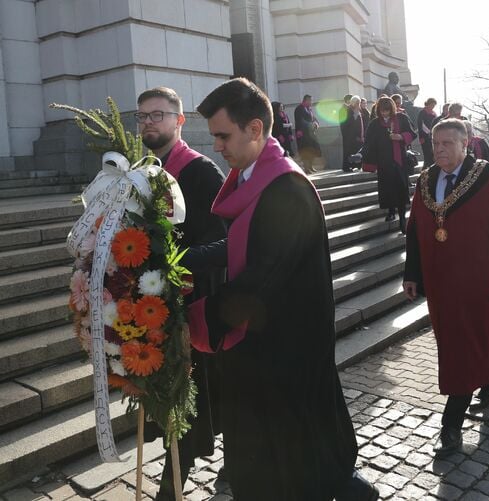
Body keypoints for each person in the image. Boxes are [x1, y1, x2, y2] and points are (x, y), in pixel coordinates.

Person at [185, 78, 378, 501]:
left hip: (286, 346)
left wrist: (193, 320)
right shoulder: (257, 179)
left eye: (223, 135)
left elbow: (260, 279)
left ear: (255, 129)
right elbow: (242, 247)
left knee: (288, 467)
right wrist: (187, 259)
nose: (216, 146)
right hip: (267, 344)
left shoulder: (287, 189)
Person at [403, 119, 489, 457]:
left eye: (447, 143)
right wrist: (412, 273)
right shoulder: (427, 180)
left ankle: (451, 425)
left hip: (479, 283)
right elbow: (415, 230)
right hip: (441, 284)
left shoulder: (488, 178)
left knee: (465, 348)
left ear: (466, 143)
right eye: (435, 144)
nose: (439, 149)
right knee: (458, 342)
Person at [136, 86, 226, 500]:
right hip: (151, 305)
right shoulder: (139, 172)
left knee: (194, 395)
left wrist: (178, 267)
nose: (149, 122)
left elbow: (221, 241)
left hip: (193, 306)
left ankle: (172, 487)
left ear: (179, 119)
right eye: (143, 116)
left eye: (158, 114)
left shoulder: (201, 172)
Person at [362, 96, 416, 234]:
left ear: (391, 109)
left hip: (399, 162)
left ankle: (403, 218)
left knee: (401, 189)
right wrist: (368, 160)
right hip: (384, 163)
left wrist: (401, 137)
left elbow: (412, 133)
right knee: (388, 189)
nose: (385, 114)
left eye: (387, 111)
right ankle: (391, 211)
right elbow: (369, 142)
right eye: (382, 111)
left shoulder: (402, 118)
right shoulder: (375, 123)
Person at [294, 94, 321, 174]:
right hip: (303, 134)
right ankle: (306, 168)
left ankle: (310, 166)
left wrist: (316, 123)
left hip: (311, 133)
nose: (311, 102)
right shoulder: (299, 108)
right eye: (310, 100)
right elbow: (300, 121)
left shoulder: (309, 109)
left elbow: (313, 118)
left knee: (312, 150)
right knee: (305, 150)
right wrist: (310, 124)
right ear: (306, 100)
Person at [341, 95, 365, 172]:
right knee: (348, 152)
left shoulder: (357, 110)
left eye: (359, 103)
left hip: (356, 136)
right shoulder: (348, 110)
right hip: (349, 136)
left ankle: (356, 165)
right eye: (357, 103)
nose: (359, 104)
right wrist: (354, 116)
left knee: (356, 150)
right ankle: (347, 167)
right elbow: (346, 123)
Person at [417, 98, 438, 167]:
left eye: (434, 105)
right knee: (427, 155)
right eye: (432, 105)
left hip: (433, 137)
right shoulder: (422, 112)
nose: (433, 106)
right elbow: (421, 124)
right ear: (428, 104)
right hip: (425, 137)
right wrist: (429, 132)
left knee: (432, 154)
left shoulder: (434, 113)